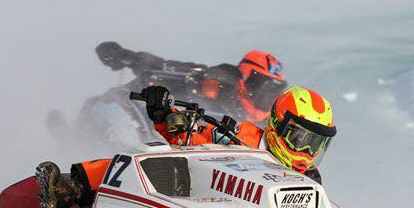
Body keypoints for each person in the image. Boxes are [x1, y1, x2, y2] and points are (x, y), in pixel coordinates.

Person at [36, 84, 336, 208]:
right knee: (153, 153)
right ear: (277, 125)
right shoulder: (241, 135)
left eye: (316, 143)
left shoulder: (309, 179)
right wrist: (161, 114)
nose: (306, 150)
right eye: (300, 138)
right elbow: (191, 136)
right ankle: (69, 187)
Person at [96, 42, 287, 124]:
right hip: (142, 114)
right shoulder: (213, 81)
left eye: (273, 92)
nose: (266, 98)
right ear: (245, 79)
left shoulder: (268, 125)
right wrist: (126, 56)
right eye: (262, 86)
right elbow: (162, 66)